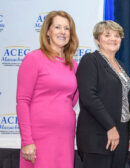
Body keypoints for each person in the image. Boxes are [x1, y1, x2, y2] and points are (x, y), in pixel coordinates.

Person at [16, 10, 79, 168]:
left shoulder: (73, 65)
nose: (62, 32)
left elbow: (72, 100)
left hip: (65, 136)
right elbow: (23, 101)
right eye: (57, 27)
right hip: (39, 137)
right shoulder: (33, 59)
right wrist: (27, 141)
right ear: (48, 31)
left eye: (66, 28)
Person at [76, 21, 130, 168]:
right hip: (99, 133)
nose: (113, 38)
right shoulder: (90, 60)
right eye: (107, 35)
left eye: (117, 35)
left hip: (121, 132)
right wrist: (110, 127)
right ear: (97, 40)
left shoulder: (121, 66)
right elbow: (88, 97)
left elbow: (126, 99)